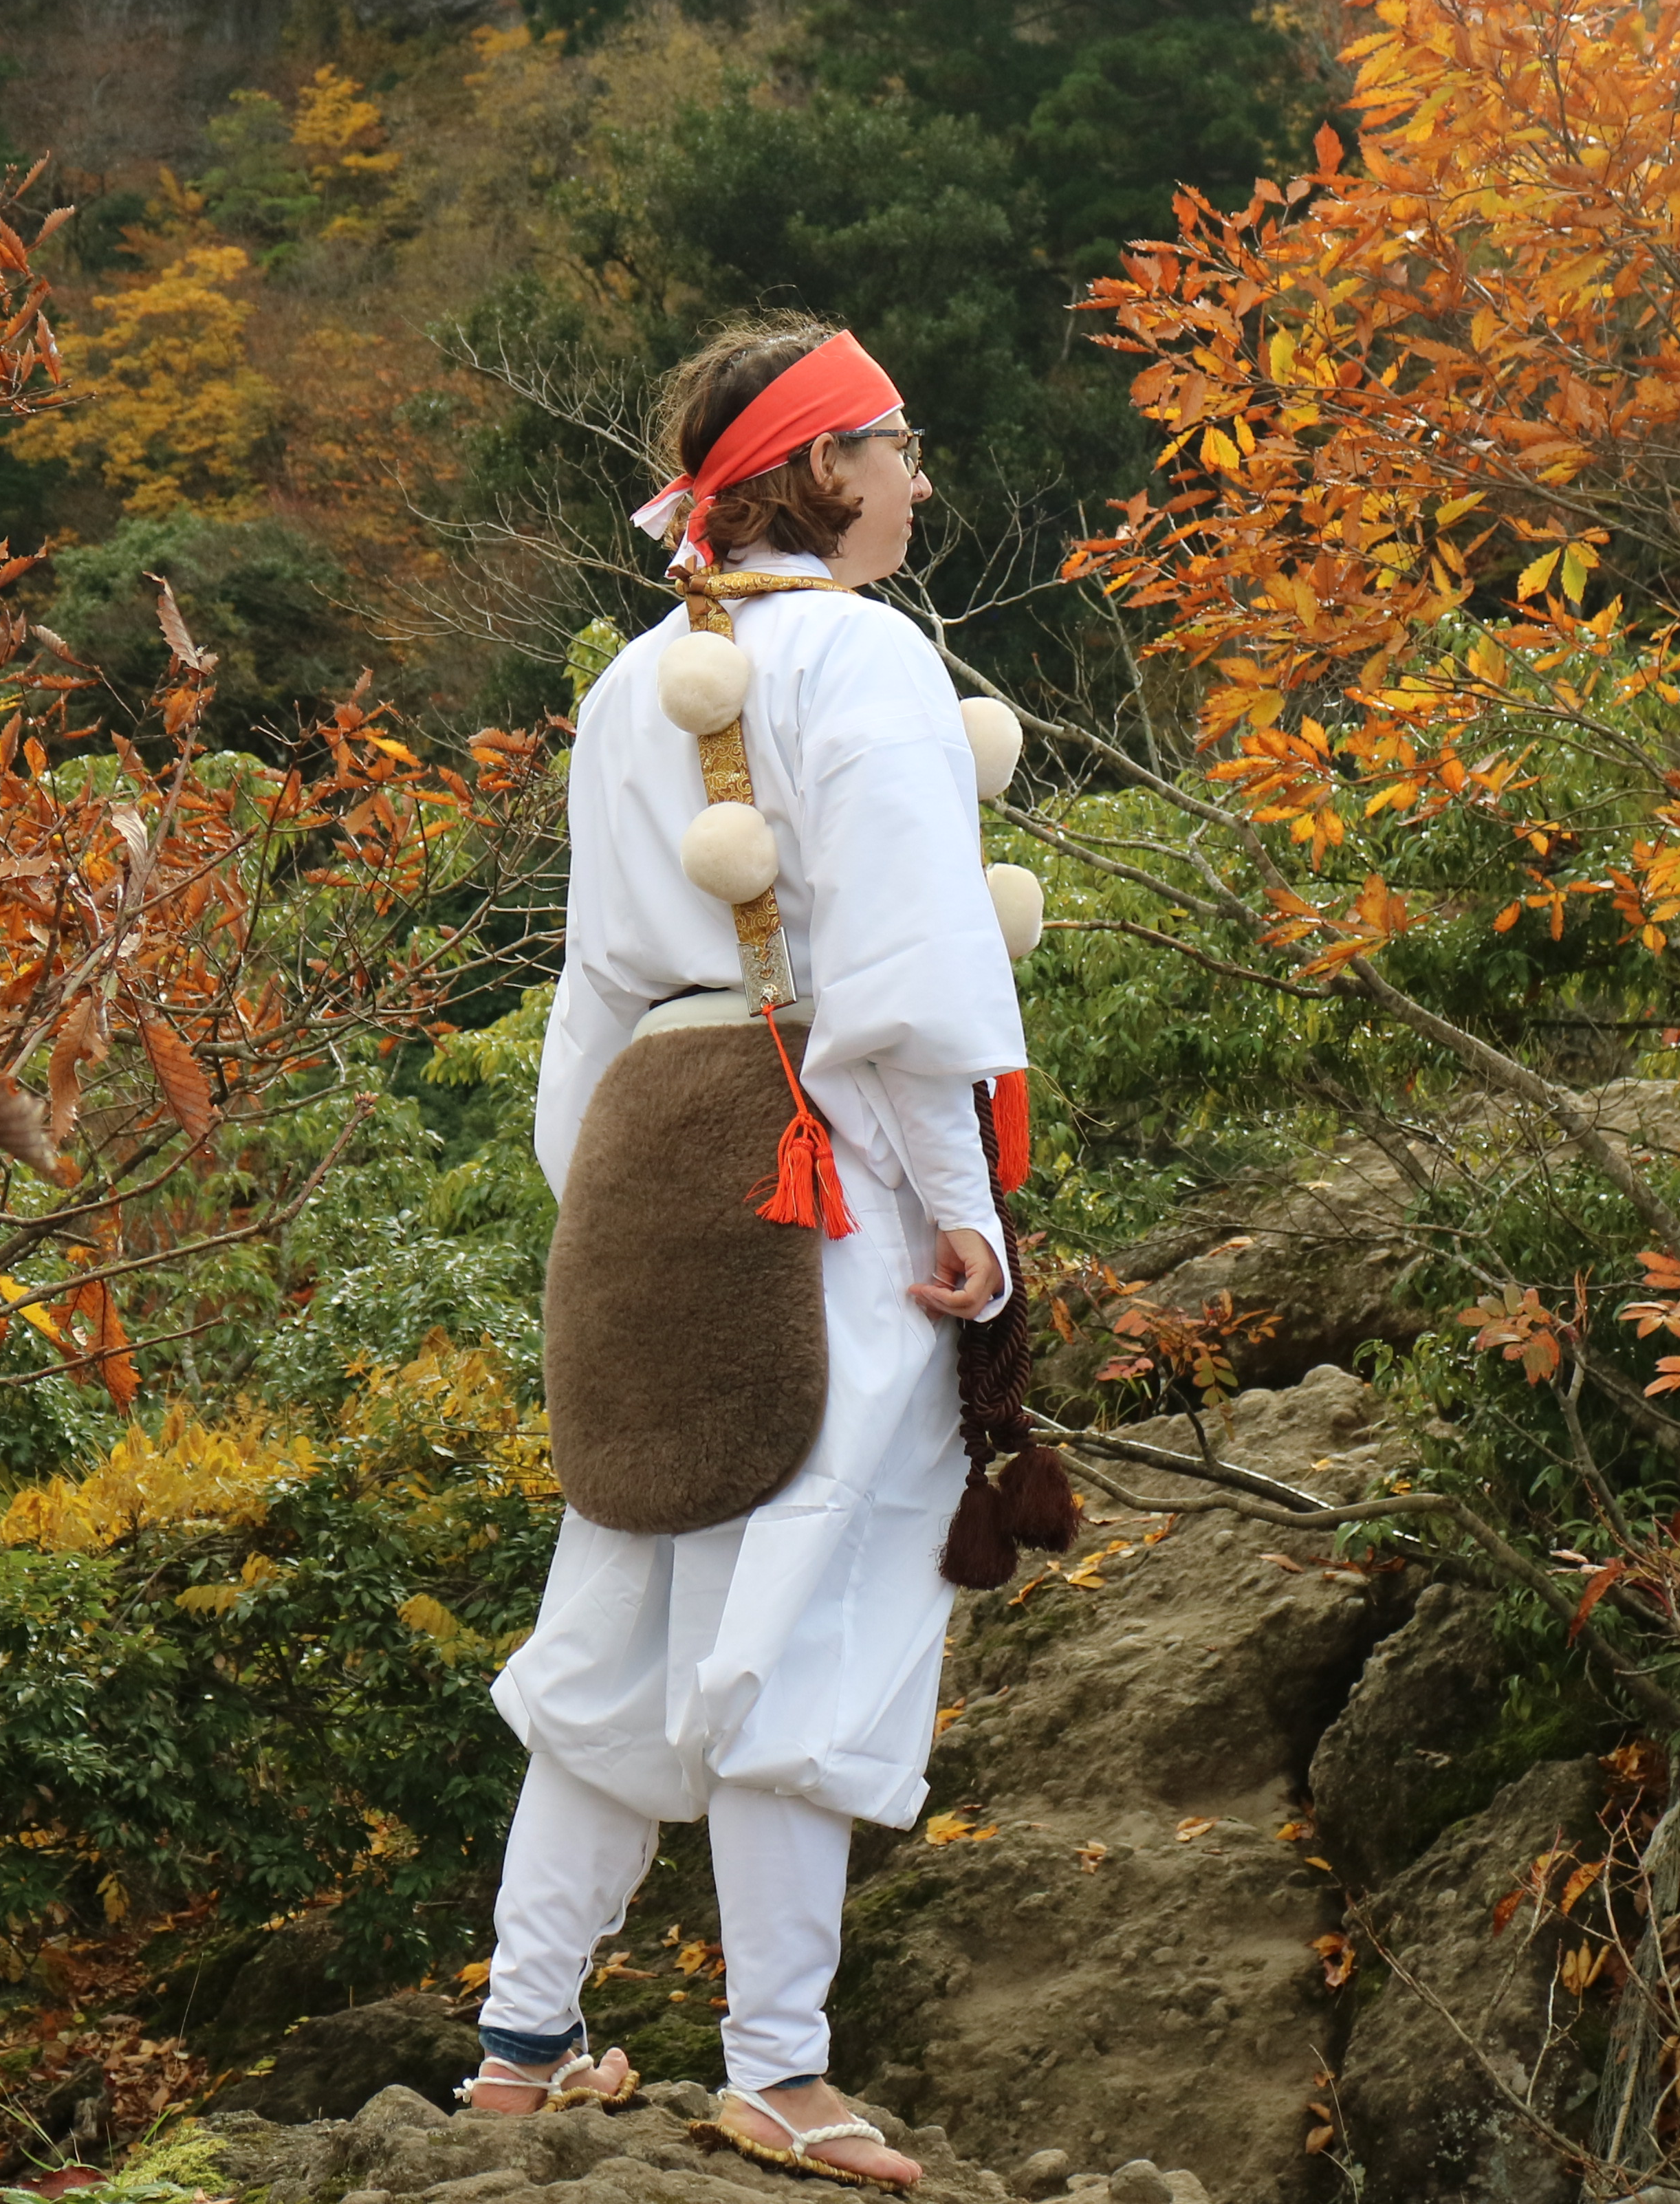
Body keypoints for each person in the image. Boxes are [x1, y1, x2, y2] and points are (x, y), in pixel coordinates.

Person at [463, 315, 1029, 2193]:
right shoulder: (863, 654)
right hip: (817, 1151)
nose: (921, 478)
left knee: (628, 1578)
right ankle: (777, 2070)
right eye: (899, 445)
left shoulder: (642, 678)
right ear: (823, 472)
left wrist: (598, 1202)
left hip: (647, 1139)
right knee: (823, 1591)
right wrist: (964, 1212)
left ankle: (522, 2045)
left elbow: (593, 981)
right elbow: (897, 974)